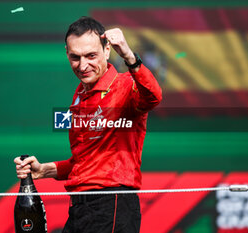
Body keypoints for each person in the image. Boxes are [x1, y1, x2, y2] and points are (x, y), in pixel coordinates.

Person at [14, 16, 162, 233]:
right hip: (80, 207)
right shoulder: (80, 95)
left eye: (91, 56)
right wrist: (43, 170)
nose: (83, 66)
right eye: (75, 57)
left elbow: (153, 97)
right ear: (66, 53)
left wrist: (129, 56)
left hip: (112, 204)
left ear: (107, 50)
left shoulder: (125, 85)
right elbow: (84, 161)